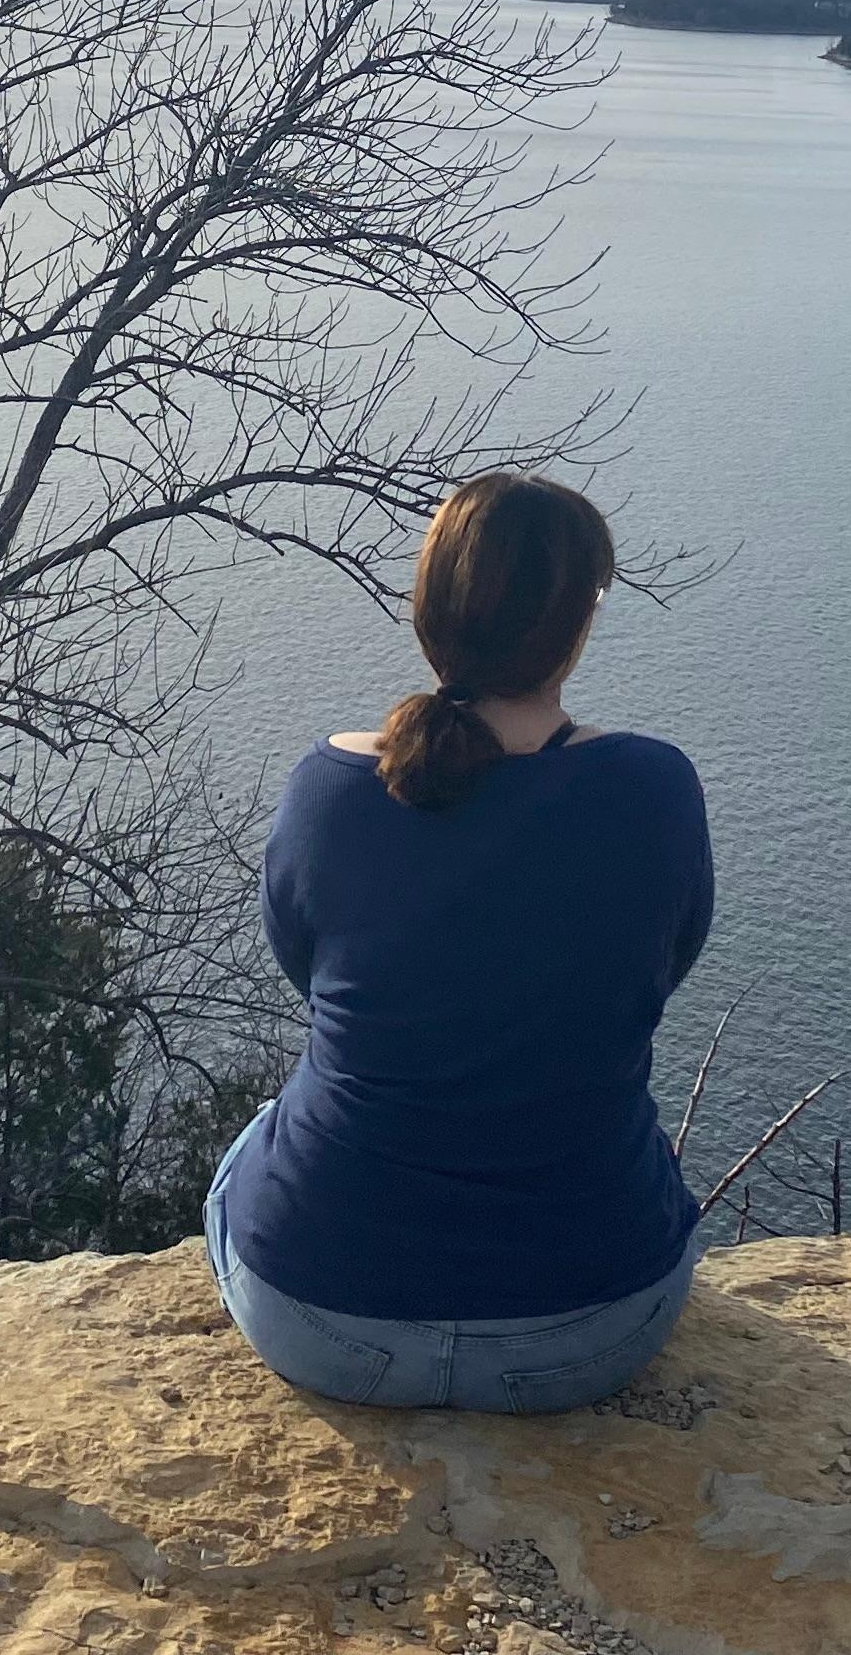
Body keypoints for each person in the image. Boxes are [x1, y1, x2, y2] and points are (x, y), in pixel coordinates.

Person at [205, 470, 714, 1411]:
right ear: (577, 621)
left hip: (318, 1315)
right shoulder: (654, 789)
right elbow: (657, 969)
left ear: (428, 608)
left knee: (259, 1141)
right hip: (589, 1323)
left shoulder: (325, 791)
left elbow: (308, 977)